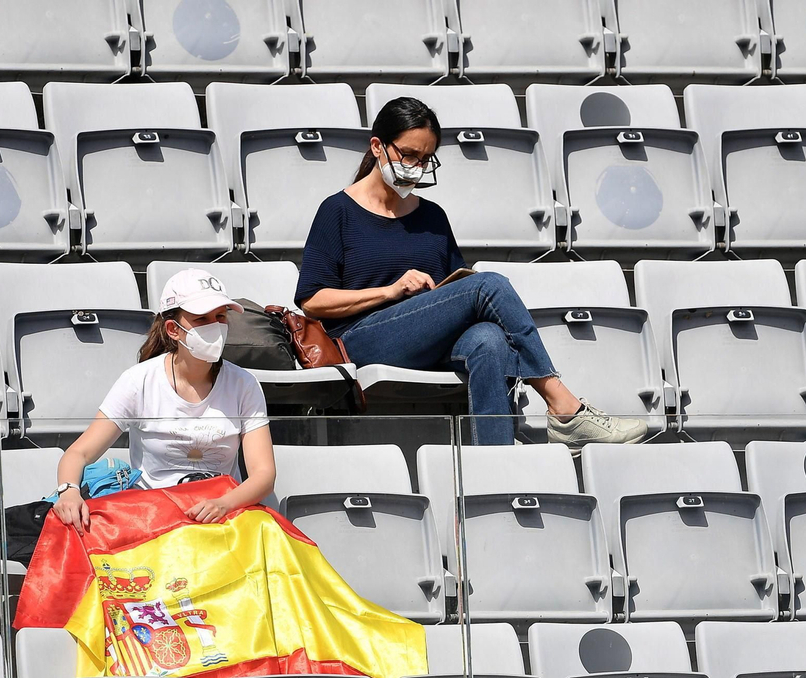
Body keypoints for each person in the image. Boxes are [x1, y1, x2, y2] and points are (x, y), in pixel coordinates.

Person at [295, 97, 649, 447]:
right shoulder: (338, 210)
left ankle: (496, 474)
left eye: (425, 158)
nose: (416, 167)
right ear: (377, 146)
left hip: (428, 338)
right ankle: (564, 406)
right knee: (488, 286)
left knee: (489, 341)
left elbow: (454, 286)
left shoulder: (432, 216)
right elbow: (312, 300)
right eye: (408, 155)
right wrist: (390, 291)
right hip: (360, 340)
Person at [52, 268, 274, 534]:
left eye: (220, 317)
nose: (215, 326)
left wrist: (223, 504)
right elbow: (79, 453)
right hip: (153, 520)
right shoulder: (139, 381)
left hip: (223, 520)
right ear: (173, 329)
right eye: (202, 318)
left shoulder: (244, 384)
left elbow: (263, 474)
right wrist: (69, 492)